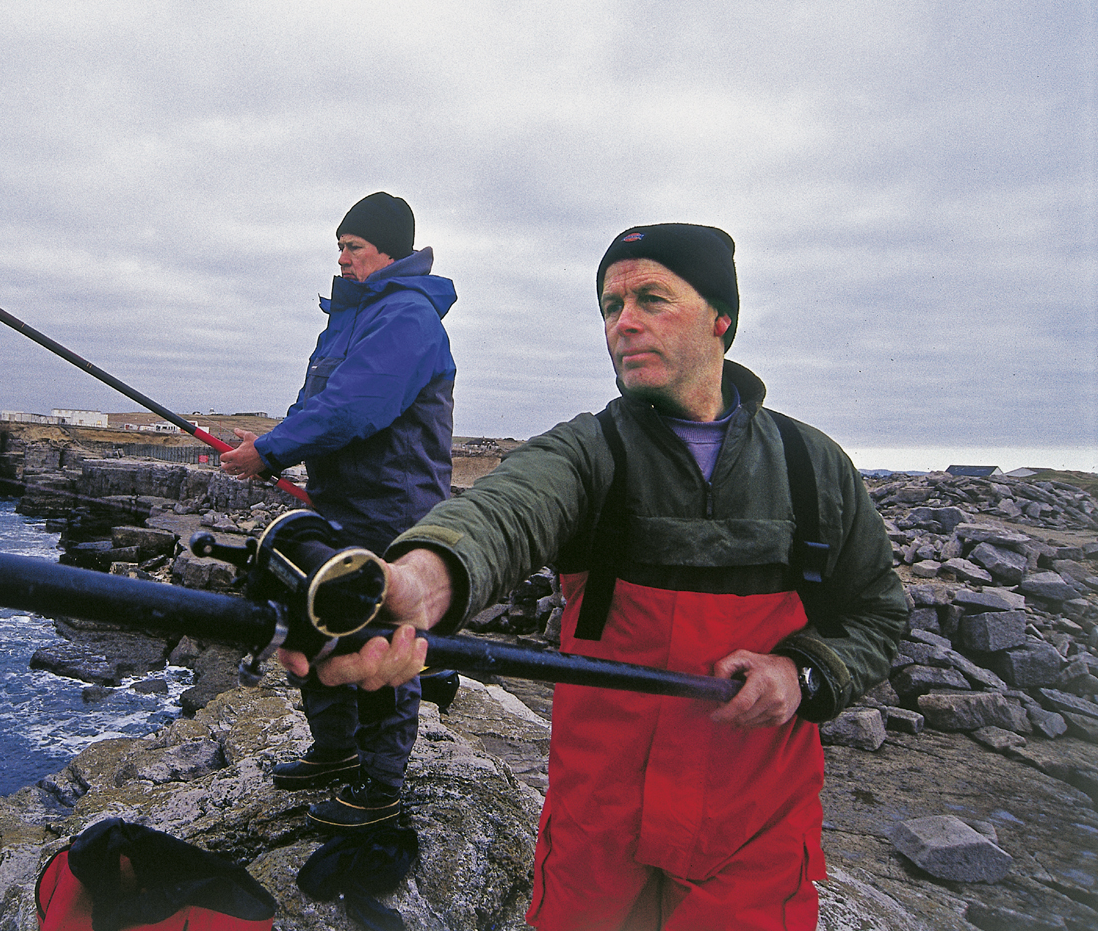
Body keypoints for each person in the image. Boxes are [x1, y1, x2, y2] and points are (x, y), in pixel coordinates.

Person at [283, 223, 908, 929]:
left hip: (754, 828)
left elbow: (877, 615)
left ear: (721, 317)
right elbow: (506, 509)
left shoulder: (812, 466)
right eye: (611, 306)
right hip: (598, 826)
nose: (624, 323)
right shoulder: (589, 449)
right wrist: (416, 583)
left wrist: (804, 675)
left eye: (651, 298)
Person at [220, 191, 458, 831]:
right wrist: (266, 446)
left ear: (389, 250)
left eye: (354, 247)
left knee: (382, 634)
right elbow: (315, 406)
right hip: (339, 505)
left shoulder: (407, 317)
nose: (344, 259)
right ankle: (335, 750)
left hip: (393, 512)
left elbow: (358, 406)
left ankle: (380, 783)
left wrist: (267, 453)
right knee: (317, 618)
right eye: (341, 248)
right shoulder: (349, 317)